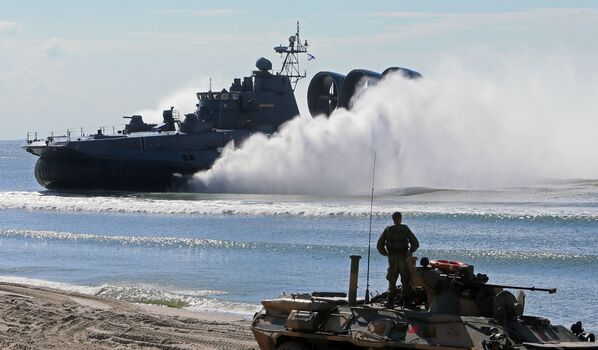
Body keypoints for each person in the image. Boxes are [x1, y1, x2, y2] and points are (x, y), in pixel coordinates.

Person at [376, 211, 419, 307]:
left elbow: (379, 245)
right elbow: (415, 243)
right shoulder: (405, 229)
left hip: (392, 258)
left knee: (392, 280)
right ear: (400, 219)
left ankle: (390, 301)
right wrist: (410, 251)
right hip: (403, 257)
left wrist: (386, 254)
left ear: (393, 219)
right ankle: (406, 302)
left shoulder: (388, 230)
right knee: (405, 279)